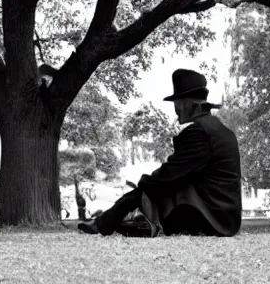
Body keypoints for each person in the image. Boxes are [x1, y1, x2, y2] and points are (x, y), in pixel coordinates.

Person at [78, 69, 242, 237]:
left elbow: (171, 173)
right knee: (157, 188)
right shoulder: (221, 130)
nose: (175, 109)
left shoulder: (200, 132)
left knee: (154, 186)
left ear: (188, 103)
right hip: (226, 217)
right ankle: (123, 221)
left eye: (177, 102)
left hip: (211, 218)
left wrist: (142, 184)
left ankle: (105, 223)